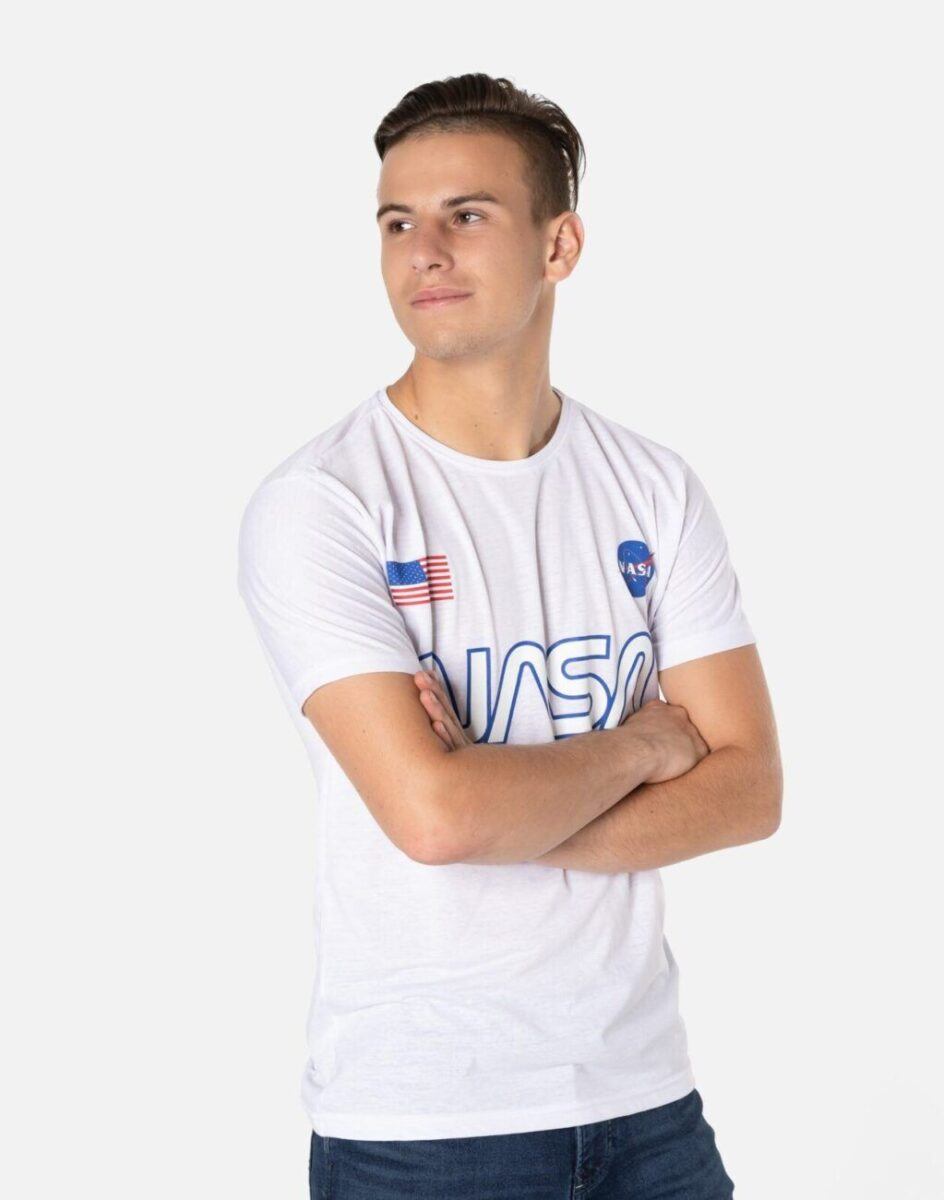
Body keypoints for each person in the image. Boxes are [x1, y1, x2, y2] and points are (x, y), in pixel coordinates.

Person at [237, 71, 782, 1199]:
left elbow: (749, 791)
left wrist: (501, 798)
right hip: (425, 1129)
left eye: (467, 214)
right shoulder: (323, 503)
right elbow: (436, 821)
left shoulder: (652, 487)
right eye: (397, 222)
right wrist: (642, 745)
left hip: (648, 1111)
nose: (424, 252)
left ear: (558, 244)